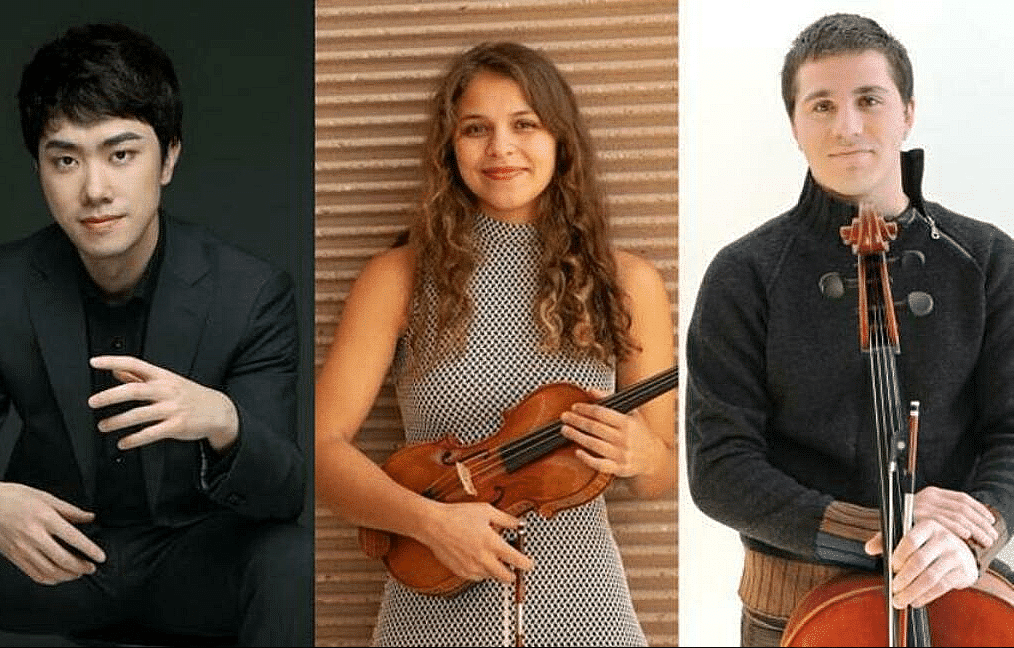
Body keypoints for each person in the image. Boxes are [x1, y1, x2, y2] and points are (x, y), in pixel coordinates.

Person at [0, 23, 309, 646]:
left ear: (169, 158)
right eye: (66, 160)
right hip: (57, 557)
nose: (95, 189)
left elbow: (284, 493)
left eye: (122, 153)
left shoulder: (251, 291)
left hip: (193, 563)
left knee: (291, 563)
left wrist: (223, 419)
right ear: (39, 168)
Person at [315, 41, 675, 646]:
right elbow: (322, 451)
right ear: (450, 148)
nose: (501, 149)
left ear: (560, 141)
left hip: (589, 619)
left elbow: (658, 476)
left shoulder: (628, 282)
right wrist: (431, 523)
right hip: (427, 621)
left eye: (525, 125)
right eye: (476, 129)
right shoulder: (396, 278)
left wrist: (643, 455)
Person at [686, 12, 1014, 646]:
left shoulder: (989, 260)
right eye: (822, 106)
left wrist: (977, 531)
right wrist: (887, 524)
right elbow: (719, 467)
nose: (848, 126)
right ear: (794, 126)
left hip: (955, 595)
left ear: (907, 112)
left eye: (869, 99)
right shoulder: (744, 274)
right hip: (795, 609)